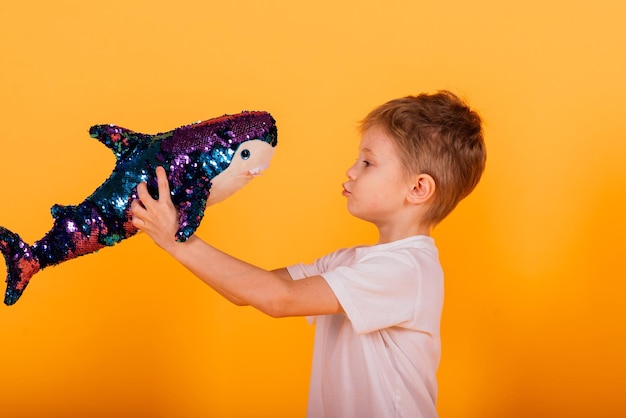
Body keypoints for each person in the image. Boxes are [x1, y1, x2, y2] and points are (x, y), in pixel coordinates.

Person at [130, 90, 486, 418]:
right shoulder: (351, 262)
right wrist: (173, 230)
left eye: (368, 163)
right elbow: (252, 292)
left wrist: (176, 239)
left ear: (418, 188)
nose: (351, 170)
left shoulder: (407, 269)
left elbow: (278, 299)